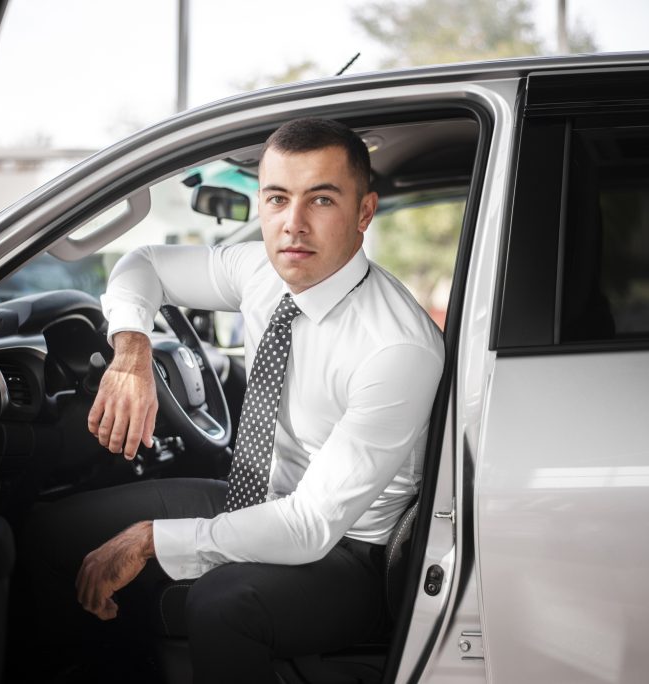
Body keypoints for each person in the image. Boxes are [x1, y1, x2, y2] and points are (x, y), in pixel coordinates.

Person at [22, 117, 444, 683]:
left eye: (321, 199)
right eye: (277, 198)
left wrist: (152, 540)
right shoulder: (262, 271)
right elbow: (142, 264)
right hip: (255, 500)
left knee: (224, 603)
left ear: (364, 212)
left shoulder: (396, 346)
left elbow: (311, 525)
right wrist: (133, 351)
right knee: (54, 533)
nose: (292, 225)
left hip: (347, 553)